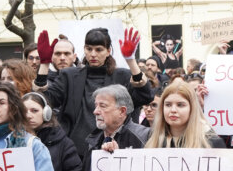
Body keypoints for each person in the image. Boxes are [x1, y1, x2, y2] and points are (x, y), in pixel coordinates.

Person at [35, 28, 151, 156]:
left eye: (99, 49)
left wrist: (131, 61)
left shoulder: (122, 76)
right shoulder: (69, 76)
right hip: (75, 151)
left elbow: (145, 96)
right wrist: (44, 65)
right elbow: (44, 101)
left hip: (114, 148)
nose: (93, 54)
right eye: (89, 49)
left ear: (108, 51)